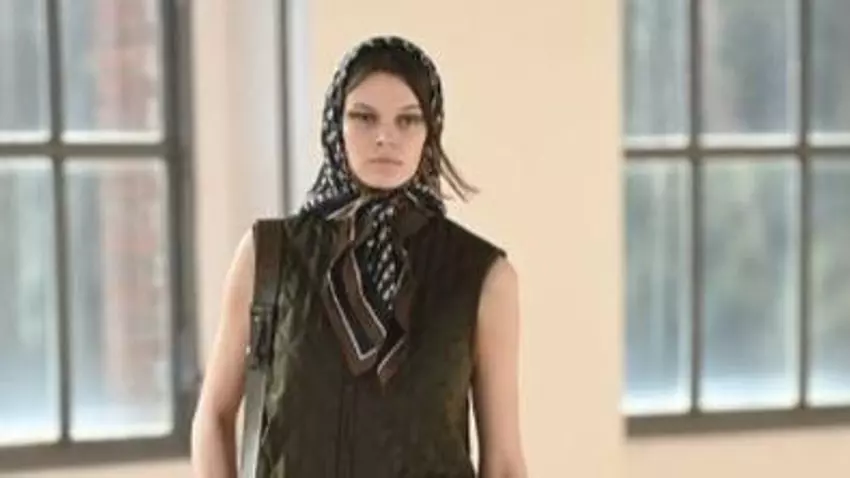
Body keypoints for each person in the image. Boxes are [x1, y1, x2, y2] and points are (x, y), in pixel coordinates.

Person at [191, 35, 527, 478]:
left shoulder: (482, 276)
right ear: (336, 123)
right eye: (364, 117)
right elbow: (213, 416)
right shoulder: (268, 255)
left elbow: (503, 461)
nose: (385, 137)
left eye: (408, 120)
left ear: (430, 132)